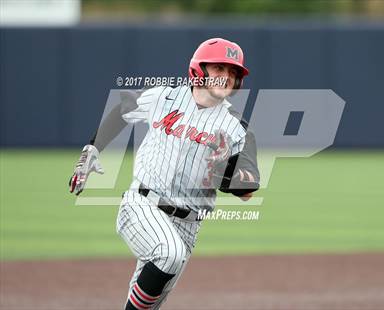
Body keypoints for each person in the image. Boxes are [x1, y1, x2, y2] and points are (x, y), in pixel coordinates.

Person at [69, 37, 260, 310]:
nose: (226, 77)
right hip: (142, 204)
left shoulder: (237, 127)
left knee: (149, 304)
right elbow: (123, 111)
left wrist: (223, 171)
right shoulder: (164, 96)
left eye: (233, 72)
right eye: (219, 68)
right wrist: (93, 147)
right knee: (168, 254)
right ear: (200, 69)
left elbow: (248, 189)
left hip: (189, 225)